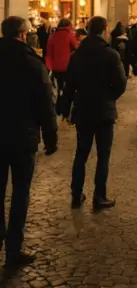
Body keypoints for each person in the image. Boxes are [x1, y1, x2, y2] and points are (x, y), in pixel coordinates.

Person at [0, 16, 57, 272]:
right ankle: (13, 248)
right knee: (21, 193)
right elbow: (46, 102)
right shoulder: (32, 63)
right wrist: (51, 136)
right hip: (23, 136)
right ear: (23, 34)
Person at [63, 16, 127, 211]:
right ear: (104, 29)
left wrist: (65, 108)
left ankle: (76, 193)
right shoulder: (110, 54)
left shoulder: (77, 54)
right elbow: (120, 83)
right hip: (103, 111)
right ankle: (99, 196)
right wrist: (109, 97)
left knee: (81, 153)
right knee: (103, 155)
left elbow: (69, 85)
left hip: (83, 108)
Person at [45, 18, 78, 118]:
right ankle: (65, 110)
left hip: (55, 67)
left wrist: (49, 66)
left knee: (59, 87)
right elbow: (76, 47)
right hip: (67, 66)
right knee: (67, 88)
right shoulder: (69, 35)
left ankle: (58, 108)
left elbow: (48, 53)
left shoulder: (52, 36)